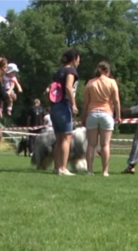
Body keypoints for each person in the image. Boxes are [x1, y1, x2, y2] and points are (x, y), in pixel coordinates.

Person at [82, 61, 120, 177]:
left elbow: (85, 103)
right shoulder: (112, 82)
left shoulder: (90, 83)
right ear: (107, 71)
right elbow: (116, 101)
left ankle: (89, 170)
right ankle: (105, 171)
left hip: (92, 113)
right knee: (105, 145)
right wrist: (118, 115)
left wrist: (83, 117)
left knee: (91, 145)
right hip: (106, 114)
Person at [49, 48, 81, 176]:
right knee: (66, 137)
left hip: (54, 106)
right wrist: (74, 104)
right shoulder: (71, 71)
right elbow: (68, 87)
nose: (79, 62)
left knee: (58, 138)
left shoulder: (58, 71)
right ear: (74, 59)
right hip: (64, 105)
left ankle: (57, 167)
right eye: (79, 59)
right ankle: (63, 168)